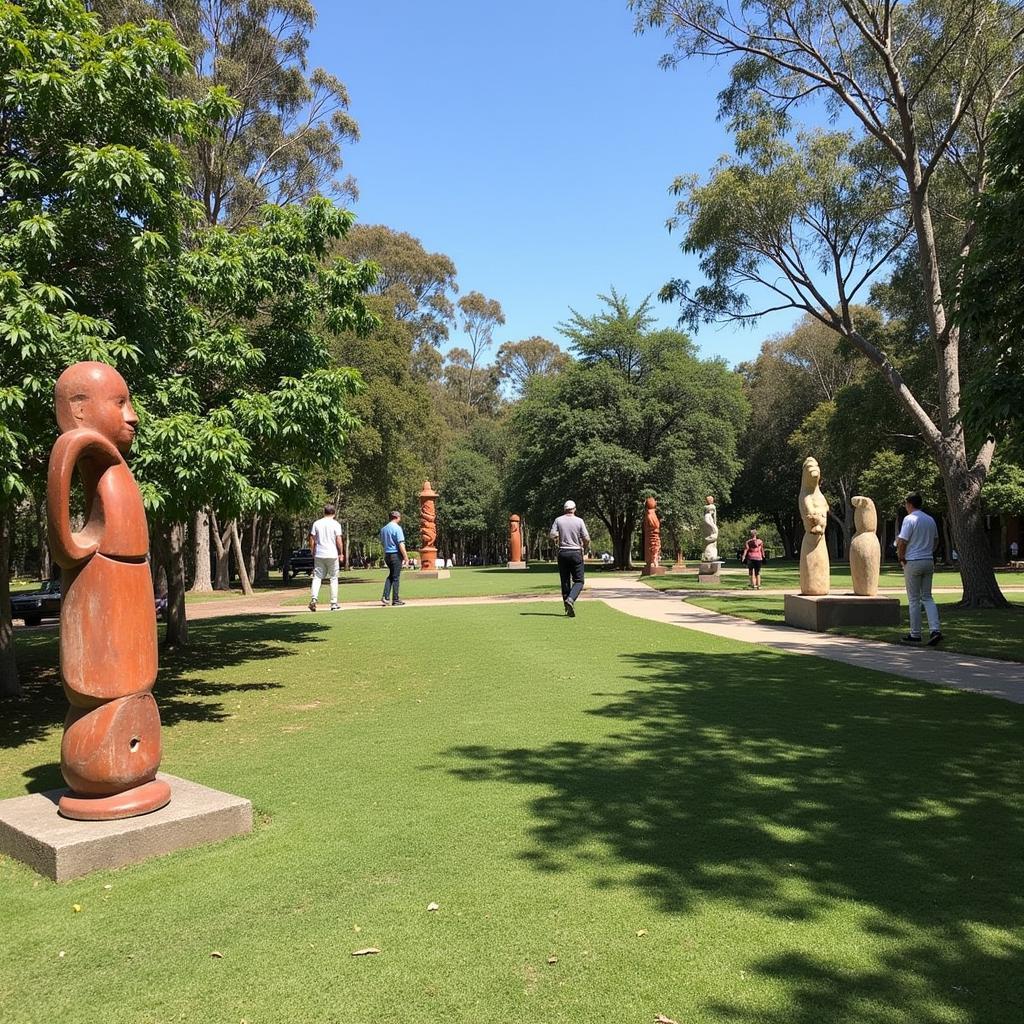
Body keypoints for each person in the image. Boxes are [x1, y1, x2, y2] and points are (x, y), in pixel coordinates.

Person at [897, 492, 943, 645]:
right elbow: (936, 540)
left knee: (914, 599)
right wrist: (929, 551)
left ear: (909, 504)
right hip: (928, 560)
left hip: (913, 560)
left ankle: (915, 633)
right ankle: (935, 629)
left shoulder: (909, 519)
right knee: (928, 597)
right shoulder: (929, 519)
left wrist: (901, 557)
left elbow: (902, 541)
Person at [550, 499, 590, 617]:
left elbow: (552, 535)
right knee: (579, 581)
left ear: (564, 509)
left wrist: (558, 538)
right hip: (576, 552)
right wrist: (585, 547)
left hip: (563, 552)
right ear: (574, 509)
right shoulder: (579, 521)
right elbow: (586, 538)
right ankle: (571, 599)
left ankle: (566, 607)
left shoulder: (558, 520)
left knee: (565, 581)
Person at [308, 504, 344, 612]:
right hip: (332, 554)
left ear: (324, 512)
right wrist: (341, 553)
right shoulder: (336, 524)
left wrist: (312, 551)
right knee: (333, 578)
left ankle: (314, 599)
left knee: (317, 577)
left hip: (319, 553)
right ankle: (333, 603)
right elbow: (338, 539)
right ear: (334, 513)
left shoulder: (317, 523)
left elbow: (312, 538)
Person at [379, 510, 407, 607]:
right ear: (397, 517)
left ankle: (385, 597)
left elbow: (383, 542)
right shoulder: (397, 528)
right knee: (396, 577)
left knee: (391, 575)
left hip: (387, 554)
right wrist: (406, 557)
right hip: (395, 554)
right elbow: (401, 544)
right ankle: (395, 599)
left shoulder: (384, 529)